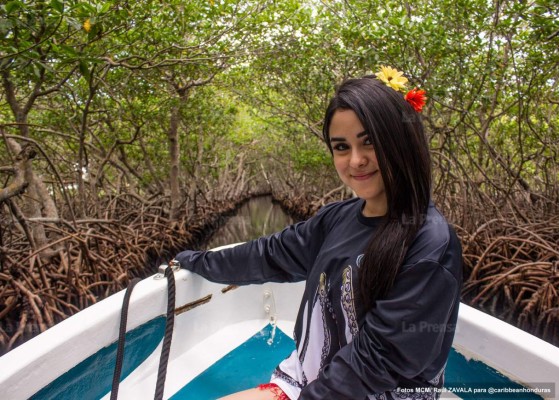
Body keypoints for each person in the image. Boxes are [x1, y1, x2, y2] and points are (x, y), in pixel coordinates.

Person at [174, 68, 463, 400]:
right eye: (341, 147)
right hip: (305, 381)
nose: (356, 160)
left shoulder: (430, 242)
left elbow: (378, 360)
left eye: (369, 141)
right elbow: (267, 256)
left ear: (399, 140)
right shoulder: (336, 219)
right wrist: (194, 260)